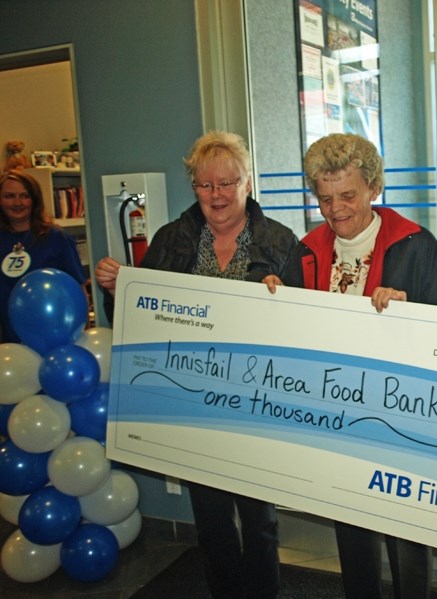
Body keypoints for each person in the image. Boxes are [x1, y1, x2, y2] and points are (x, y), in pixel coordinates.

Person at [95, 130, 298, 599]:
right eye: (205, 185)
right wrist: (115, 292)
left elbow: (299, 330)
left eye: (227, 183)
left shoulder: (280, 242)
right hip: (191, 401)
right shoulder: (171, 240)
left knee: (260, 519)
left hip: (254, 402)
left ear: (247, 183)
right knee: (210, 520)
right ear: (194, 189)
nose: (217, 195)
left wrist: (283, 302)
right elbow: (138, 321)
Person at [265, 133, 437, 599]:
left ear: (374, 188)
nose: (335, 209)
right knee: (350, 528)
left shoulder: (415, 245)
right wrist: (274, 296)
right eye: (325, 197)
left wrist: (410, 308)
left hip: (401, 418)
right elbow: (290, 333)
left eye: (348, 195)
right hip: (337, 415)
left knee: (407, 536)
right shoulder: (308, 248)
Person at [0, 170, 86, 343]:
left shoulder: (56, 238)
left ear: (35, 200)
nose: (17, 203)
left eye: (25, 196)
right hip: (8, 343)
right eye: (9, 196)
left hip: (54, 338)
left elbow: (79, 289)